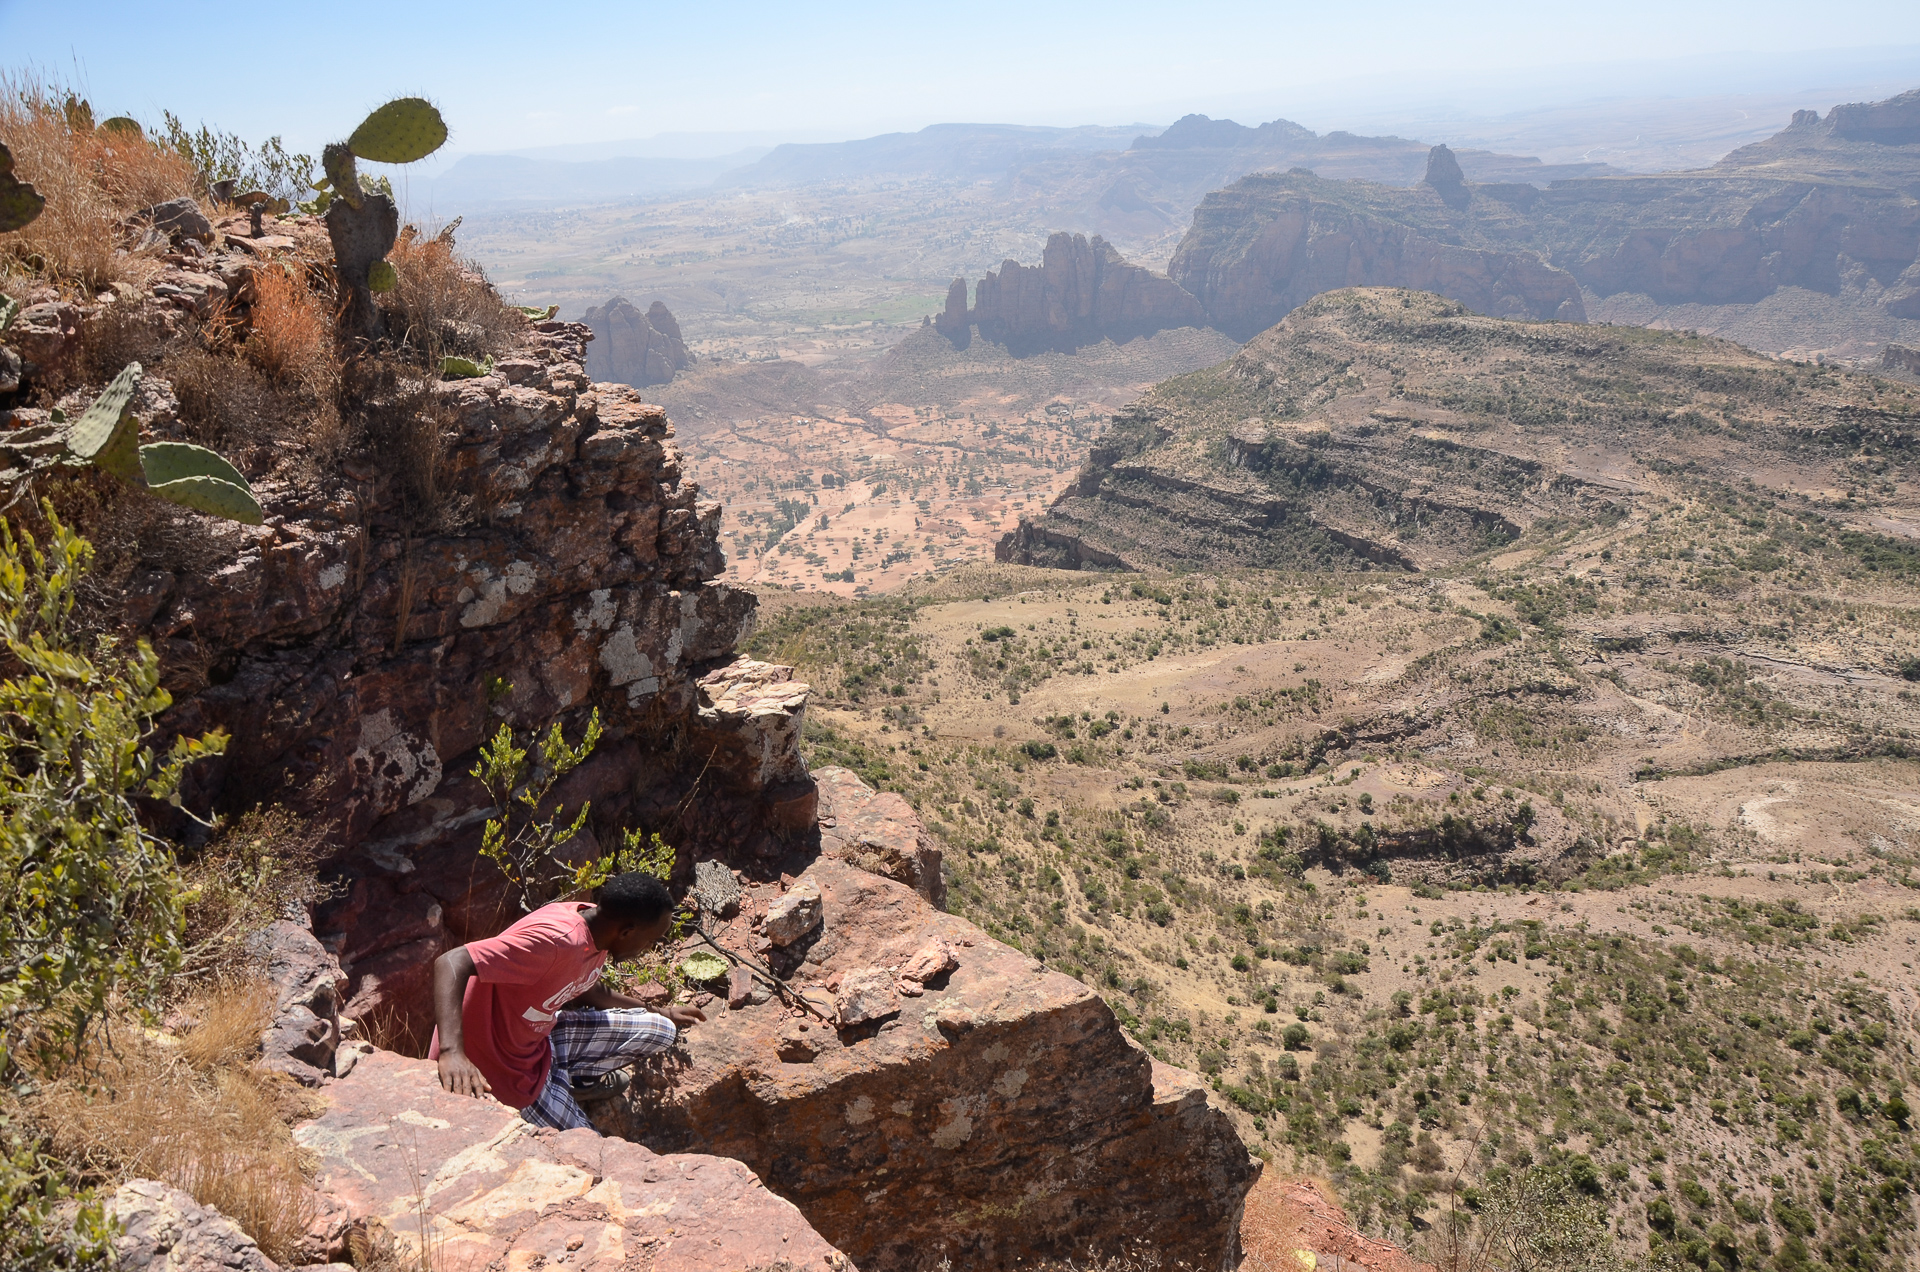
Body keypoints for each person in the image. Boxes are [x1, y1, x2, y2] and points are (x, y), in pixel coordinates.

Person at [429, 871, 705, 1130]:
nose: (648, 949)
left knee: (661, 1029)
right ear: (626, 931)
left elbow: (591, 990)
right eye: (649, 940)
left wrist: (663, 1011)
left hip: (537, 1044)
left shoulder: (597, 922)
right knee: (588, 1148)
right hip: (499, 1068)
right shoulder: (555, 941)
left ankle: (575, 1082)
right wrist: (452, 1052)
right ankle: (553, 1091)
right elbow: (453, 961)